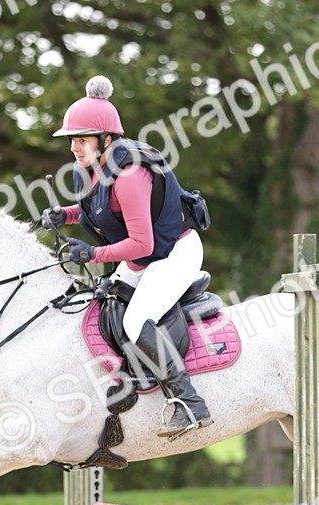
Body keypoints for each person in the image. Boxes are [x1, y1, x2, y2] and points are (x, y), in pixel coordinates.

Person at [43, 75, 211, 437]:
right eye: (72, 139)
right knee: (103, 303)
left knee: (135, 321)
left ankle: (189, 403)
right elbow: (102, 209)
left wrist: (91, 253)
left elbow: (142, 244)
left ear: (106, 140)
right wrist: (66, 214)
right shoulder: (95, 168)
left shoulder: (130, 175)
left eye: (81, 139)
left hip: (173, 253)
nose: (74, 147)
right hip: (146, 257)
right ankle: (131, 378)